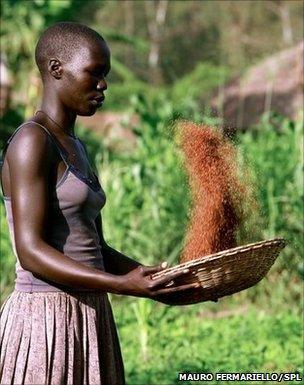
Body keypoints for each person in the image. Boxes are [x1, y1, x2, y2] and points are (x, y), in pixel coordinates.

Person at [0, 22, 198, 385]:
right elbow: (30, 251)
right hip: (46, 317)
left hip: (90, 312)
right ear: (56, 69)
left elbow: (96, 247)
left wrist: (156, 280)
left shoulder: (76, 146)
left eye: (105, 75)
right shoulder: (32, 141)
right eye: (94, 73)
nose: (103, 85)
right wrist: (121, 285)